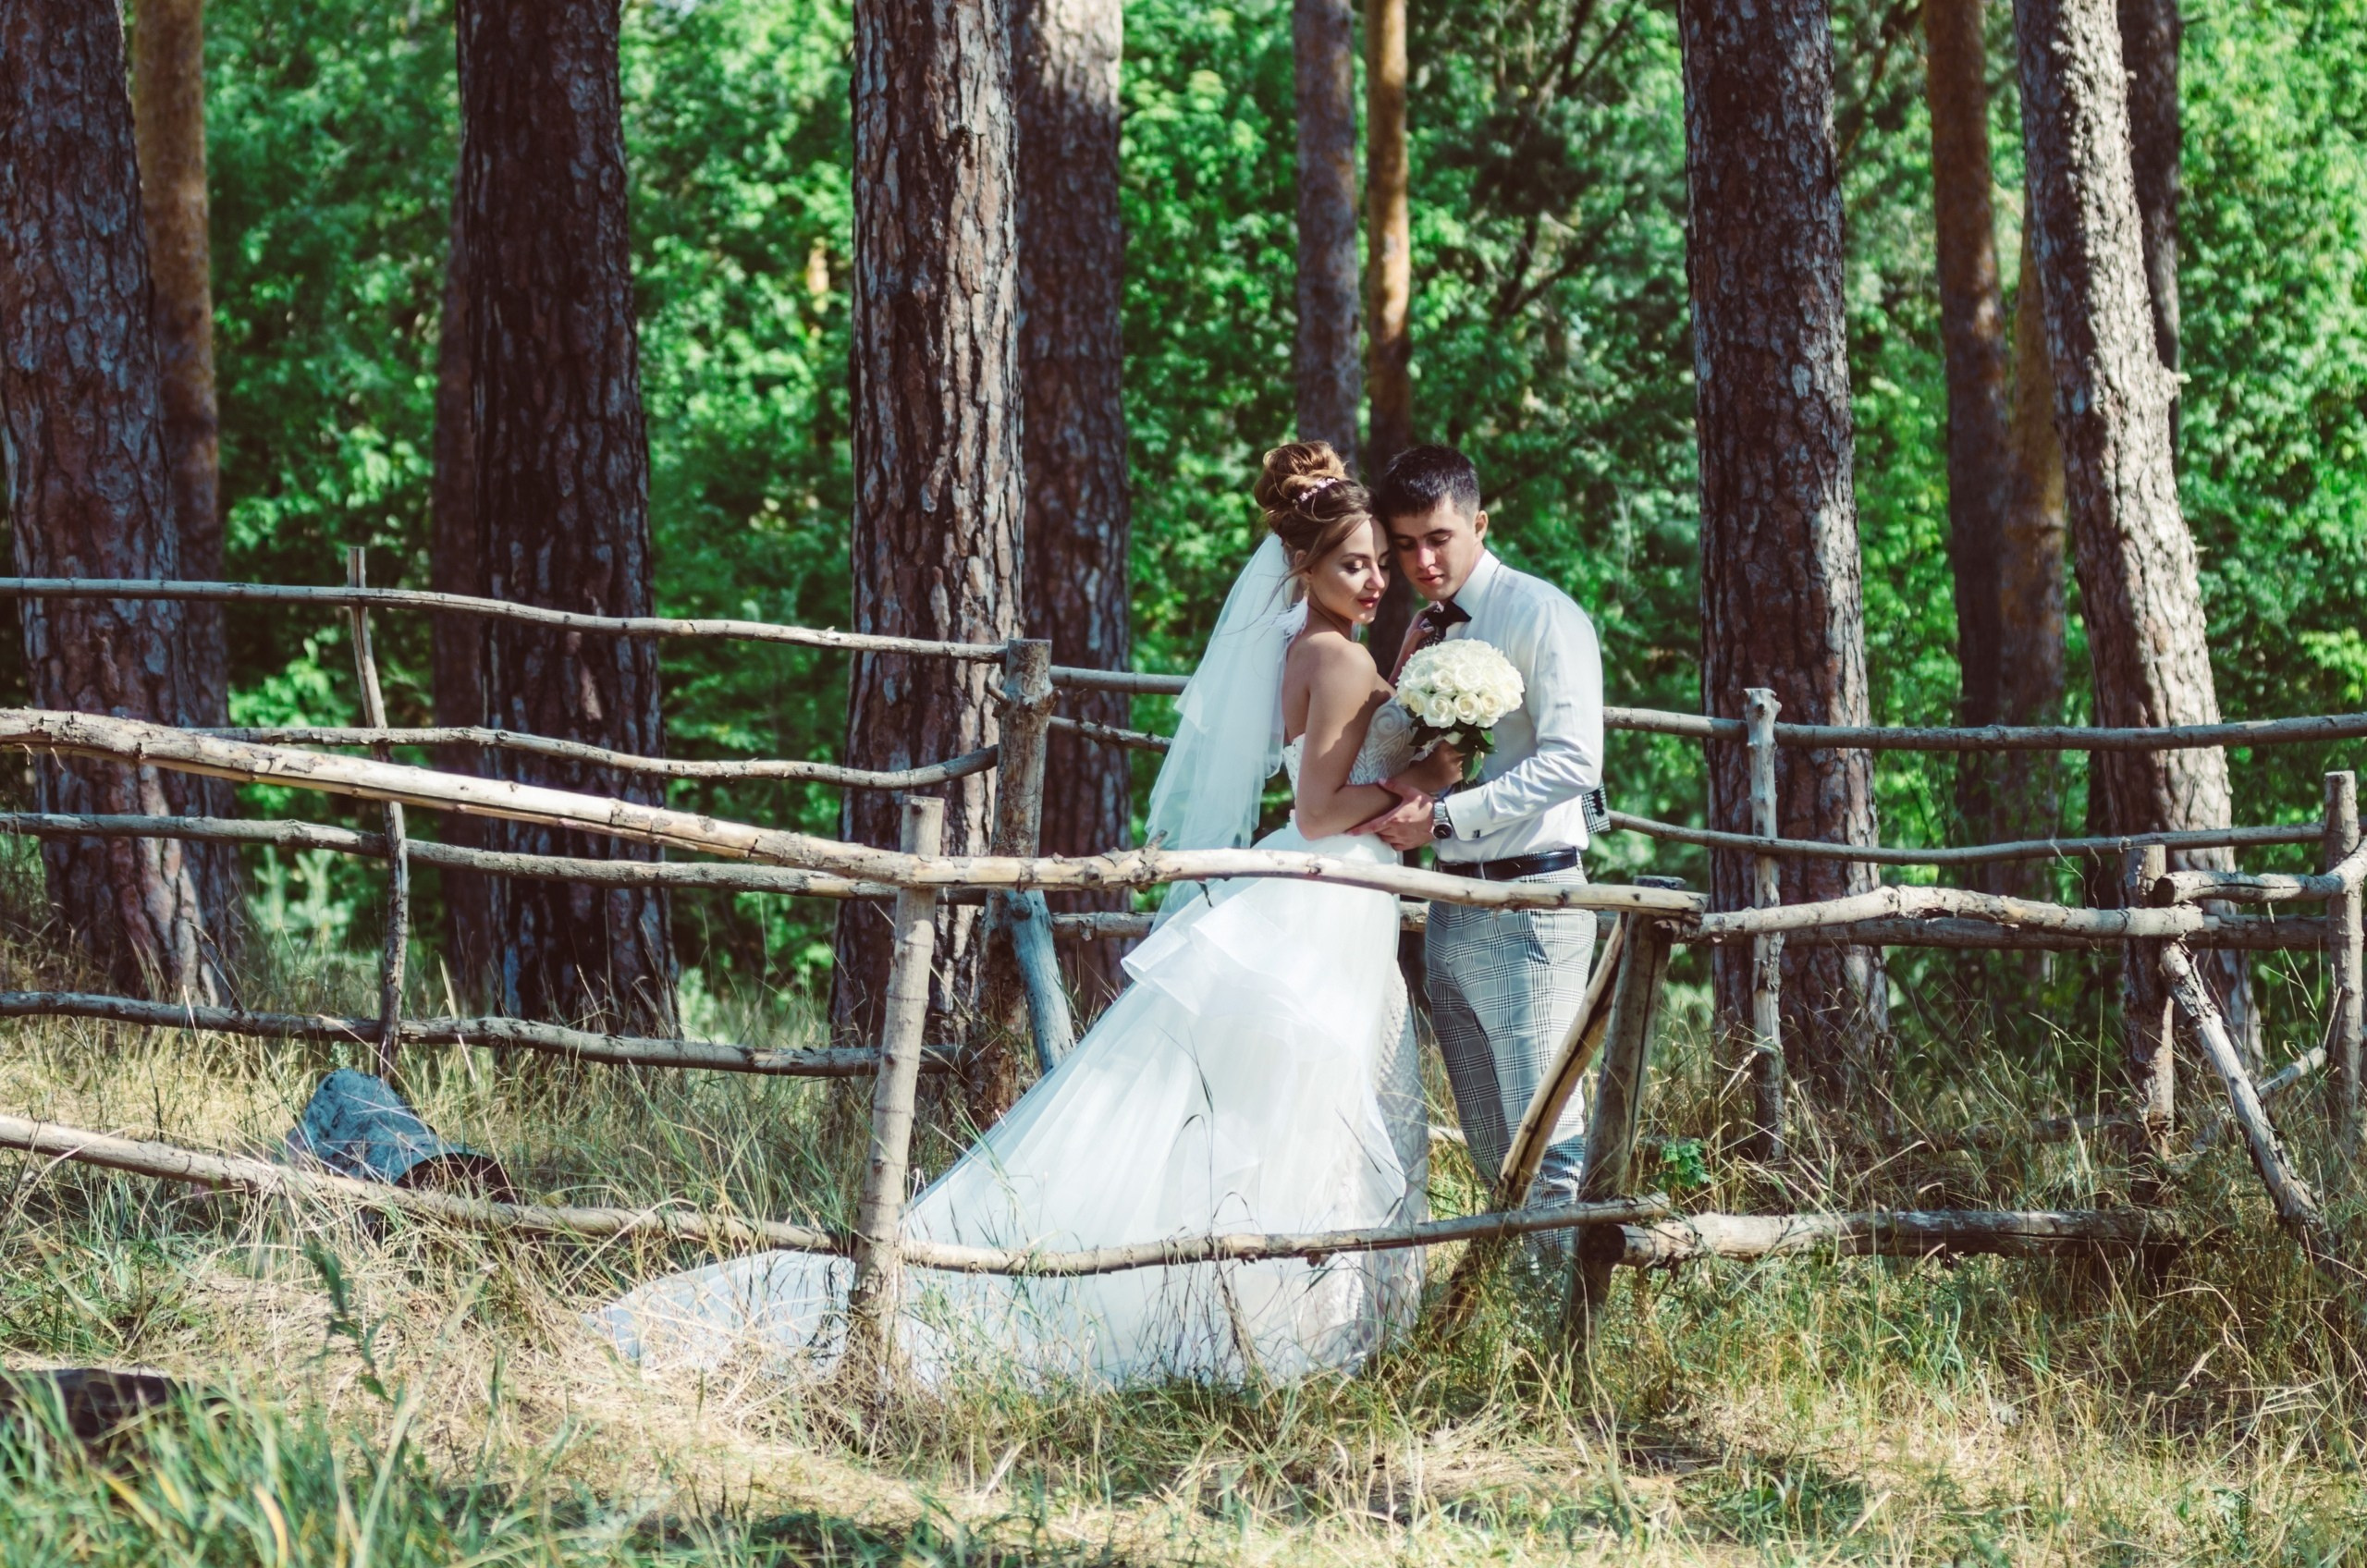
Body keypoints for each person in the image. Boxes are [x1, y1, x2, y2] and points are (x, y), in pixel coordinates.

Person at [593, 442, 1460, 1386]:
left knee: (1276, 1095)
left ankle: (1280, 1300)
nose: (1376, 581)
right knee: (1298, 1096)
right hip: (1325, 889)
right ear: (1303, 565)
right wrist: (1421, 774)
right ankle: (1283, 1314)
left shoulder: (1310, 646)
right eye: (1354, 564)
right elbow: (1321, 809)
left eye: (1380, 563)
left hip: (1325, 890)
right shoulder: (1334, 656)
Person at [1360, 445, 1607, 1252]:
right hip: (1452, 908)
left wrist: (1445, 819)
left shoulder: (1542, 614)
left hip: (1534, 905)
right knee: (1491, 1148)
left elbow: (1574, 761)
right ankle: (1513, 1316)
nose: (1422, 562)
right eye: (1404, 545)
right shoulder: (1425, 631)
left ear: (1480, 524)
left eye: (1438, 538)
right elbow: (1395, 757)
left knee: (1549, 1139)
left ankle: (1572, 1320)